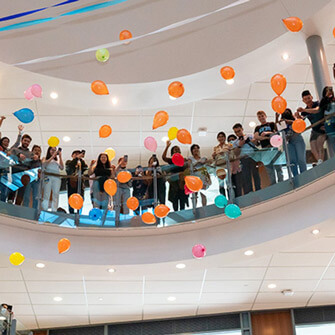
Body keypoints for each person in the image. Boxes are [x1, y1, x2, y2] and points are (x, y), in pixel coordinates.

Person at [7, 134, 39, 205]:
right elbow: (8, 155)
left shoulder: (31, 154)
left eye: (28, 141)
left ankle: (17, 206)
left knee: (21, 192)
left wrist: (36, 159)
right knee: (12, 188)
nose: (26, 142)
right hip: (15, 171)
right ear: (22, 140)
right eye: (25, 140)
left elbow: (34, 165)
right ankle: (9, 202)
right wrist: (18, 155)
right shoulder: (15, 150)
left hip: (25, 173)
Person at [296, 90, 326, 164]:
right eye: (305, 99)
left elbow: (316, 110)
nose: (308, 100)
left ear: (311, 97)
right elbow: (302, 119)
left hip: (322, 128)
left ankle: (320, 161)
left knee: (319, 144)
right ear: (303, 100)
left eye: (308, 98)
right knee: (313, 147)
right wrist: (298, 116)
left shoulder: (317, 104)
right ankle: (320, 162)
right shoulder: (304, 111)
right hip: (315, 130)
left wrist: (304, 109)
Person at [254, 111, 283, 184]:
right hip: (264, 149)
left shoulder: (271, 124)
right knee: (269, 169)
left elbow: (276, 132)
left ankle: (281, 182)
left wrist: (267, 133)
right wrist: (266, 138)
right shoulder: (258, 127)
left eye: (262, 116)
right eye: (259, 117)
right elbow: (256, 137)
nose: (261, 118)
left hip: (273, 148)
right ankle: (273, 184)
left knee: (278, 167)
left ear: (265, 116)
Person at [232, 123, 261, 195]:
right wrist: (239, 145)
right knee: (246, 176)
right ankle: (249, 192)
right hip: (243, 159)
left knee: (256, 174)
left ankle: (258, 189)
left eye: (239, 131)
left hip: (253, 157)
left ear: (242, 129)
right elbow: (235, 154)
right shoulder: (235, 142)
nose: (238, 133)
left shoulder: (250, 136)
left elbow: (257, 144)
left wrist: (251, 141)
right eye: (236, 132)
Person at [162, 141, 188, 211]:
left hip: (182, 182)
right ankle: (176, 215)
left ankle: (183, 216)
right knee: (175, 201)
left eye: (178, 149)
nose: (177, 150)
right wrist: (167, 146)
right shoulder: (171, 160)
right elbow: (163, 157)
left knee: (182, 201)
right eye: (175, 149)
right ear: (172, 152)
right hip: (174, 183)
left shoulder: (183, 160)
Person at [0, 125, 23, 202]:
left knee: (4, 190)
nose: (6, 143)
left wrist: (20, 133)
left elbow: (17, 143)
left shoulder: (9, 151)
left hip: (5, 172)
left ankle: (2, 204)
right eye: (5, 141)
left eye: (8, 142)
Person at [280, 108, 307, 177]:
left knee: (301, 159)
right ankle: (296, 177)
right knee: (292, 161)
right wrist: (277, 119)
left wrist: (289, 121)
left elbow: (299, 124)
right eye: (284, 112)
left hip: (298, 139)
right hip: (289, 142)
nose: (286, 113)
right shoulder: (282, 123)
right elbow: (278, 128)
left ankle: (304, 176)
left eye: (288, 111)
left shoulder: (294, 119)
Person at [41, 147, 64, 211]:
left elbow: (62, 167)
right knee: (46, 193)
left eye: (55, 150)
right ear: (49, 150)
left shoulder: (57, 160)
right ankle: (45, 209)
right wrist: (52, 157)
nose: (53, 151)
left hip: (56, 177)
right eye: (52, 150)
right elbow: (44, 164)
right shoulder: (44, 158)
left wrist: (60, 157)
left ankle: (54, 210)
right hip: (48, 176)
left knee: (56, 194)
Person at [212, 132, 233, 196]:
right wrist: (214, 156)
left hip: (226, 165)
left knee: (228, 182)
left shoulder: (229, 145)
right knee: (221, 183)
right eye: (219, 137)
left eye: (222, 136)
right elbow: (215, 158)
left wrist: (225, 153)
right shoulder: (215, 148)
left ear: (224, 137)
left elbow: (232, 156)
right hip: (219, 166)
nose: (220, 138)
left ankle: (231, 198)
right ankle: (223, 199)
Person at [319, 86, 335, 158]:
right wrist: (326, 97)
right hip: (329, 124)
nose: (330, 92)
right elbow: (321, 109)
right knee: (333, 142)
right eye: (328, 91)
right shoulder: (323, 102)